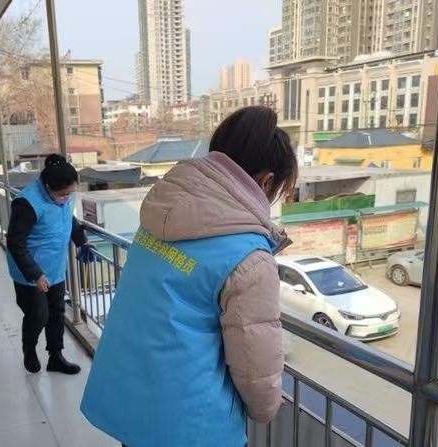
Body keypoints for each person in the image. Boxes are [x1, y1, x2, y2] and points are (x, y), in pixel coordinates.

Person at [81, 106, 298, 447]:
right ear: (267, 181)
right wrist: (266, 407)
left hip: (130, 401)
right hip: (191, 424)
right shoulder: (249, 256)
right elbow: (255, 369)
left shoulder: (160, 213)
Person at [6, 154, 88, 375]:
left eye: (70, 193)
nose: (67, 198)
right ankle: (29, 349)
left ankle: (56, 356)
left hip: (55, 267)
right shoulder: (27, 203)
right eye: (63, 194)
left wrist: (82, 241)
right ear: (48, 186)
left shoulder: (63, 196)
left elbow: (67, 218)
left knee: (56, 313)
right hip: (30, 272)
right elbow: (15, 243)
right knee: (38, 315)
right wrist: (35, 274)